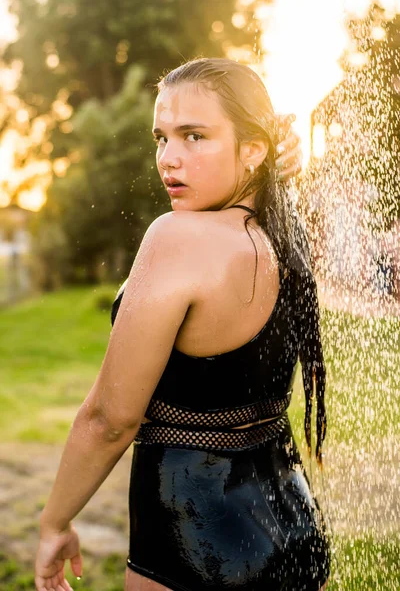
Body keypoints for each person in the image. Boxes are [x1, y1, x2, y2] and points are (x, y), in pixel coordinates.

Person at [35, 57, 330, 591]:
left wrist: (55, 521)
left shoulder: (177, 237)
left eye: (194, 136)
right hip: (295, 526)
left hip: (197, 543)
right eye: (162, 138)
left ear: (254, 148)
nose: (168, 159)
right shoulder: (284, 235)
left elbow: (108, 419)